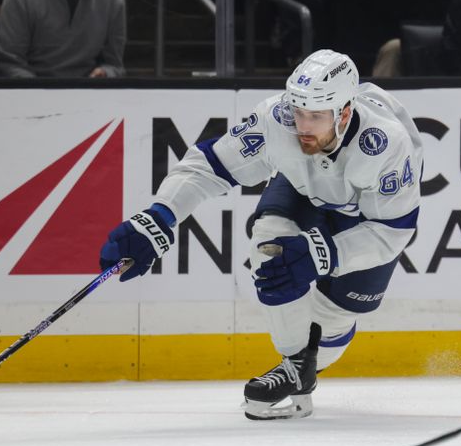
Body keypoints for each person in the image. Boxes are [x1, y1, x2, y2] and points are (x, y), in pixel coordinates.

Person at [99, 50, 422, 420]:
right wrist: (158, 216)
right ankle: (296, 366)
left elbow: (392, 231)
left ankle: (308, 361)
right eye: (299, 112)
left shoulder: (385, 144)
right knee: (271, 248)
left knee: (331, 326)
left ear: (344, 113)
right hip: (304, 186)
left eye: (316, 116)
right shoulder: (278, 118)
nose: (303, 125)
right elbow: (210, 165)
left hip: (368, 216)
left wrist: (325, 254)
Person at [0, 0, 126, 78]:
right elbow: (9, 62)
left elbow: (114, 65)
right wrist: (39, 92)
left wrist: (105, 73)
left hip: (86, 94)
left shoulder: (113, 0)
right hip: (25, 94)